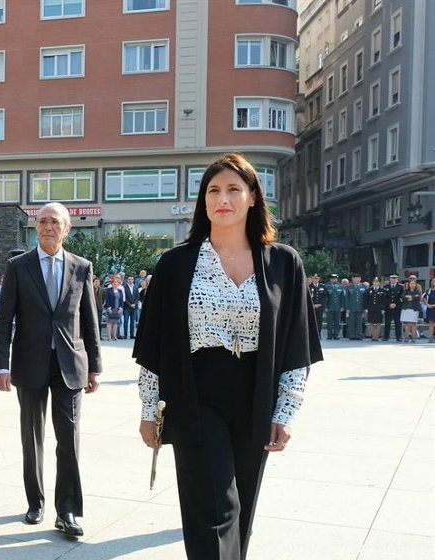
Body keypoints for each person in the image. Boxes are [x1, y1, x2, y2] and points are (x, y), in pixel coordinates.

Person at [134, 153, 322, 560]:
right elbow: (153, 346)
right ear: (204, 202)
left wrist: (285, 413)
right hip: (194, 393)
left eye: (234, 189)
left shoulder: (284, 263)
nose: (223, 198)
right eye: (214, 190)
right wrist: (150, 409)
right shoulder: (175, 264)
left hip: (257, 393)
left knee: (242, 508)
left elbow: (296, 347)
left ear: (253, 197)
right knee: (214, 508)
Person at [0, 202, 102, 539]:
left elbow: (89, 321)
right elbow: (4, 318)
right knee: (32, 436)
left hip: (69, 364)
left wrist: (94, 367)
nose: (48, 227)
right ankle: (35, 501)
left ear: (67, 229)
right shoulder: (18, 267)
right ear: (34, 228)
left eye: (55, 222)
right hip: (29, 362)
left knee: (68, 438)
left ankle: (67, 510)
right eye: (42, 221)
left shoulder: (81, 267)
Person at [382, 274, 404, 341]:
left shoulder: (401, 287)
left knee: (397, 323)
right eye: (392, 278)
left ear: (397, 279)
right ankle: (386, 336)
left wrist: (395, 304)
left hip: (397, 308)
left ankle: (398, 337)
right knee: (387, 322)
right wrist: (389, 304)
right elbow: (384, 298)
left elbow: (401, 297)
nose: (393, 280)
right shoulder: (386, 287)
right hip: (388, 308)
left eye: (395, 278)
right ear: (390, 279)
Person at [324, 273, 345, 340]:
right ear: (330, 279)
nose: (334, 280)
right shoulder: (326, 286)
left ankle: (336, 335)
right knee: (329, 321)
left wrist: (342, 306)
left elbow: (342, 297)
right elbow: (325, 297)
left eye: (335, 278)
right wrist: (326, 307)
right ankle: (329, 335)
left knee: (337, 321)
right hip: (330, 307)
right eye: (332, 278)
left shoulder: (340, 286)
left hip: (338, 307)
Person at [103, 275, 124, 341]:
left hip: (117, 309)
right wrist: (109, 308)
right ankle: (109, 336)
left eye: (116, 283)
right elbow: (107, 300)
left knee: (115, 323)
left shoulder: (120, 291)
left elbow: (121, 300)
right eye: (114, 283)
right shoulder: (108, 290)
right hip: (110, 309)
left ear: (118, 284)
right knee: (109, 322)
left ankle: (114, 336)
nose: (115, 284)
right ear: (111, 284)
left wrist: (120, 308)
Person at [366, 277, 385, 342]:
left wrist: (383, 309)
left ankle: (377, 336)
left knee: (378, 323)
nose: (375, 283)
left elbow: (384, 300)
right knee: (371, 322)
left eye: (377, 282)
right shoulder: (369, 290)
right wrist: (366, 308)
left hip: (379, 308)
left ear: (379, 283)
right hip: (371, 308)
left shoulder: (382, 290)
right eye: (374, 282)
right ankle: (373, 336)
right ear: (373, 282)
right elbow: (366, 300)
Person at [122, 274, 140, 339]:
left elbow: (137, 297)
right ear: (127, 280)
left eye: (132, 279)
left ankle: (132, 335)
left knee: (133, 322)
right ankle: (125, 335)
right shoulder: (124, 287)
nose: (130, 280)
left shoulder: (136, 287)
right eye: (129, 279)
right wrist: (130, 304)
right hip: (127, 307)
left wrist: (134, 304)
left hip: (134, 307)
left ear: (133, 280)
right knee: (126, 321)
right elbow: (124, 298)